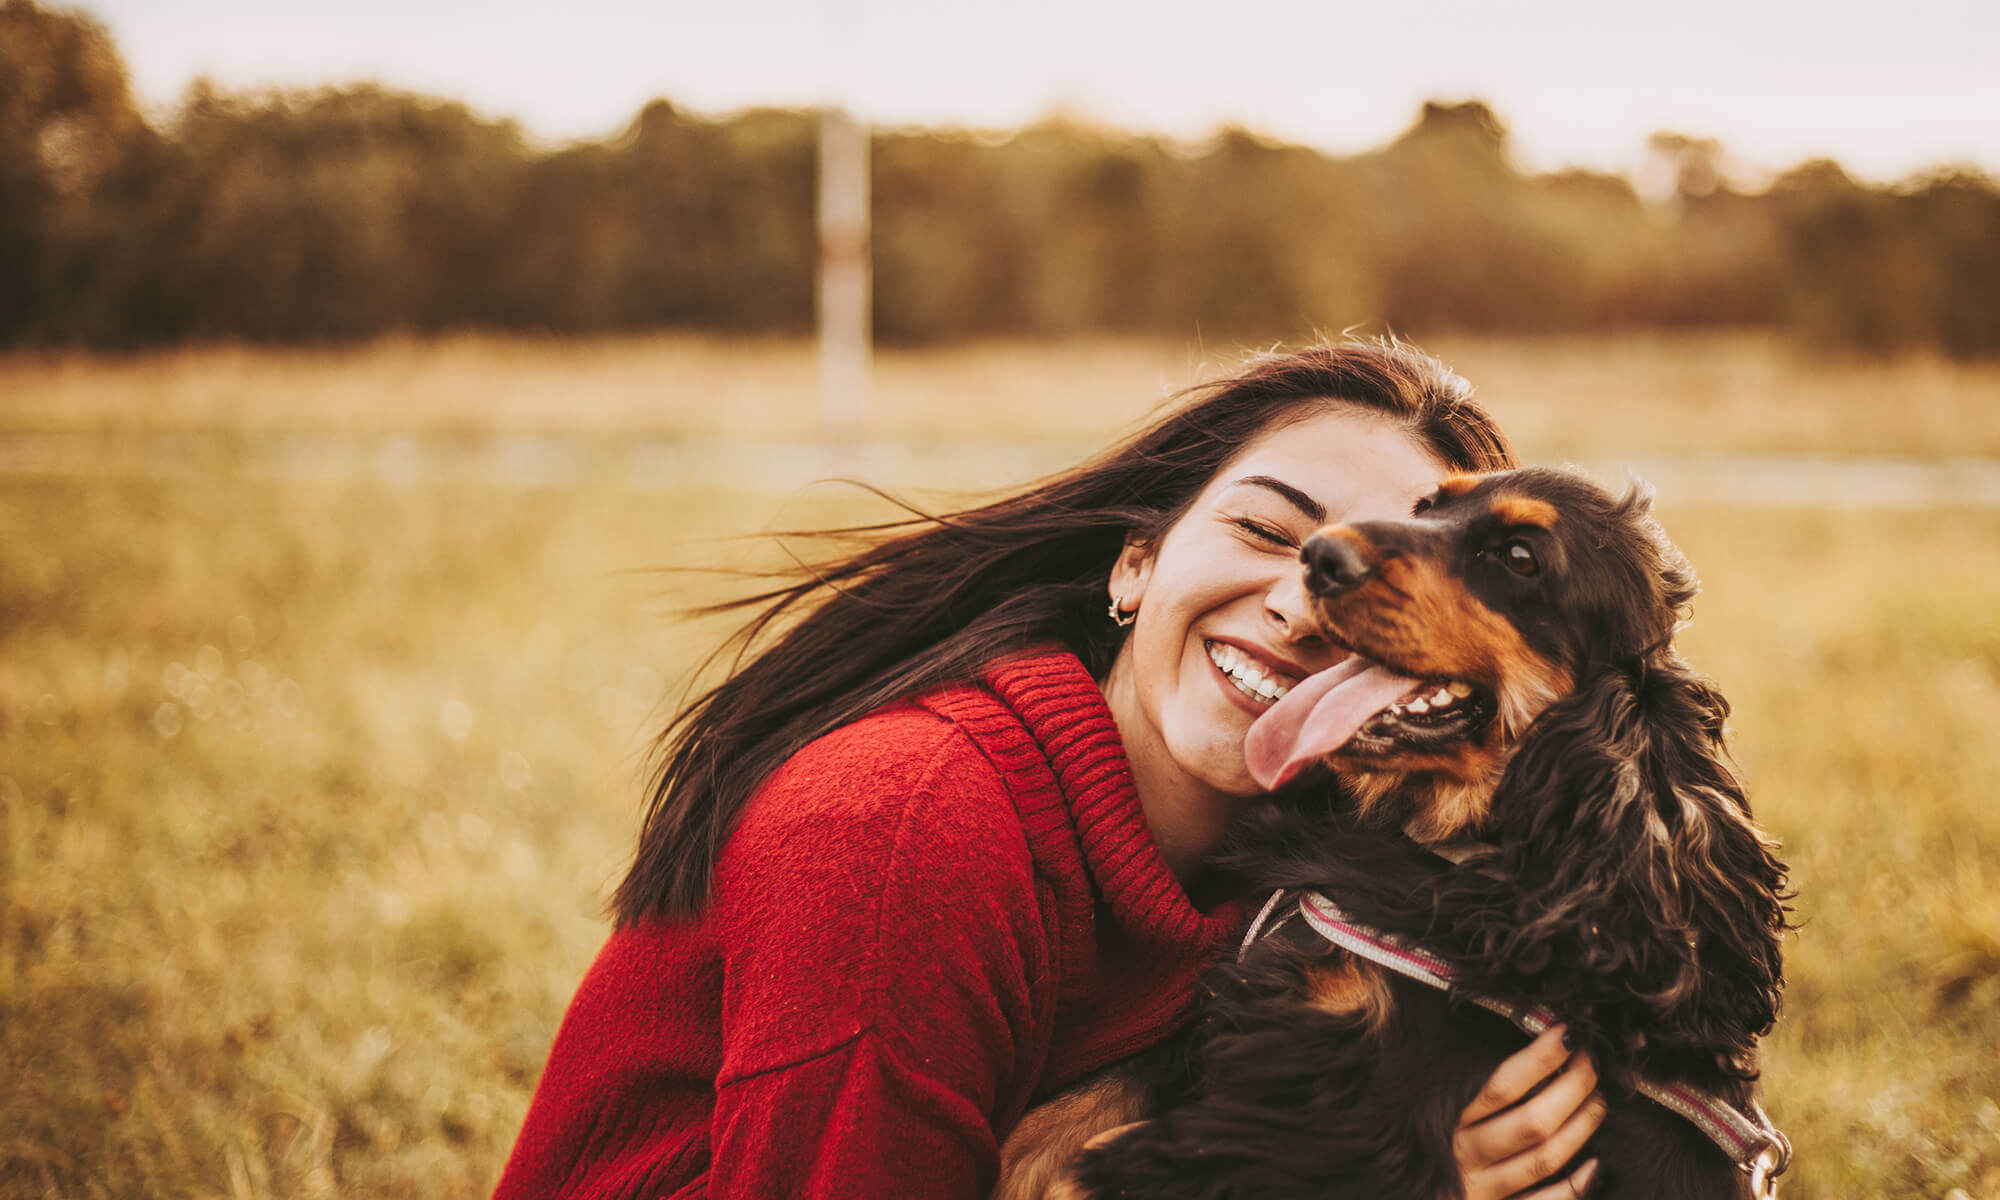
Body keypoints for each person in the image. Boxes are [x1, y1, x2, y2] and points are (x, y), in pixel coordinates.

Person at [492, 340, 1607, 1199]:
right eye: (1272, 532)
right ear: (1136, 561)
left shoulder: (1350, 866)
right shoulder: (905, 829)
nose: (1302, 604)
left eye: (1374, 583)